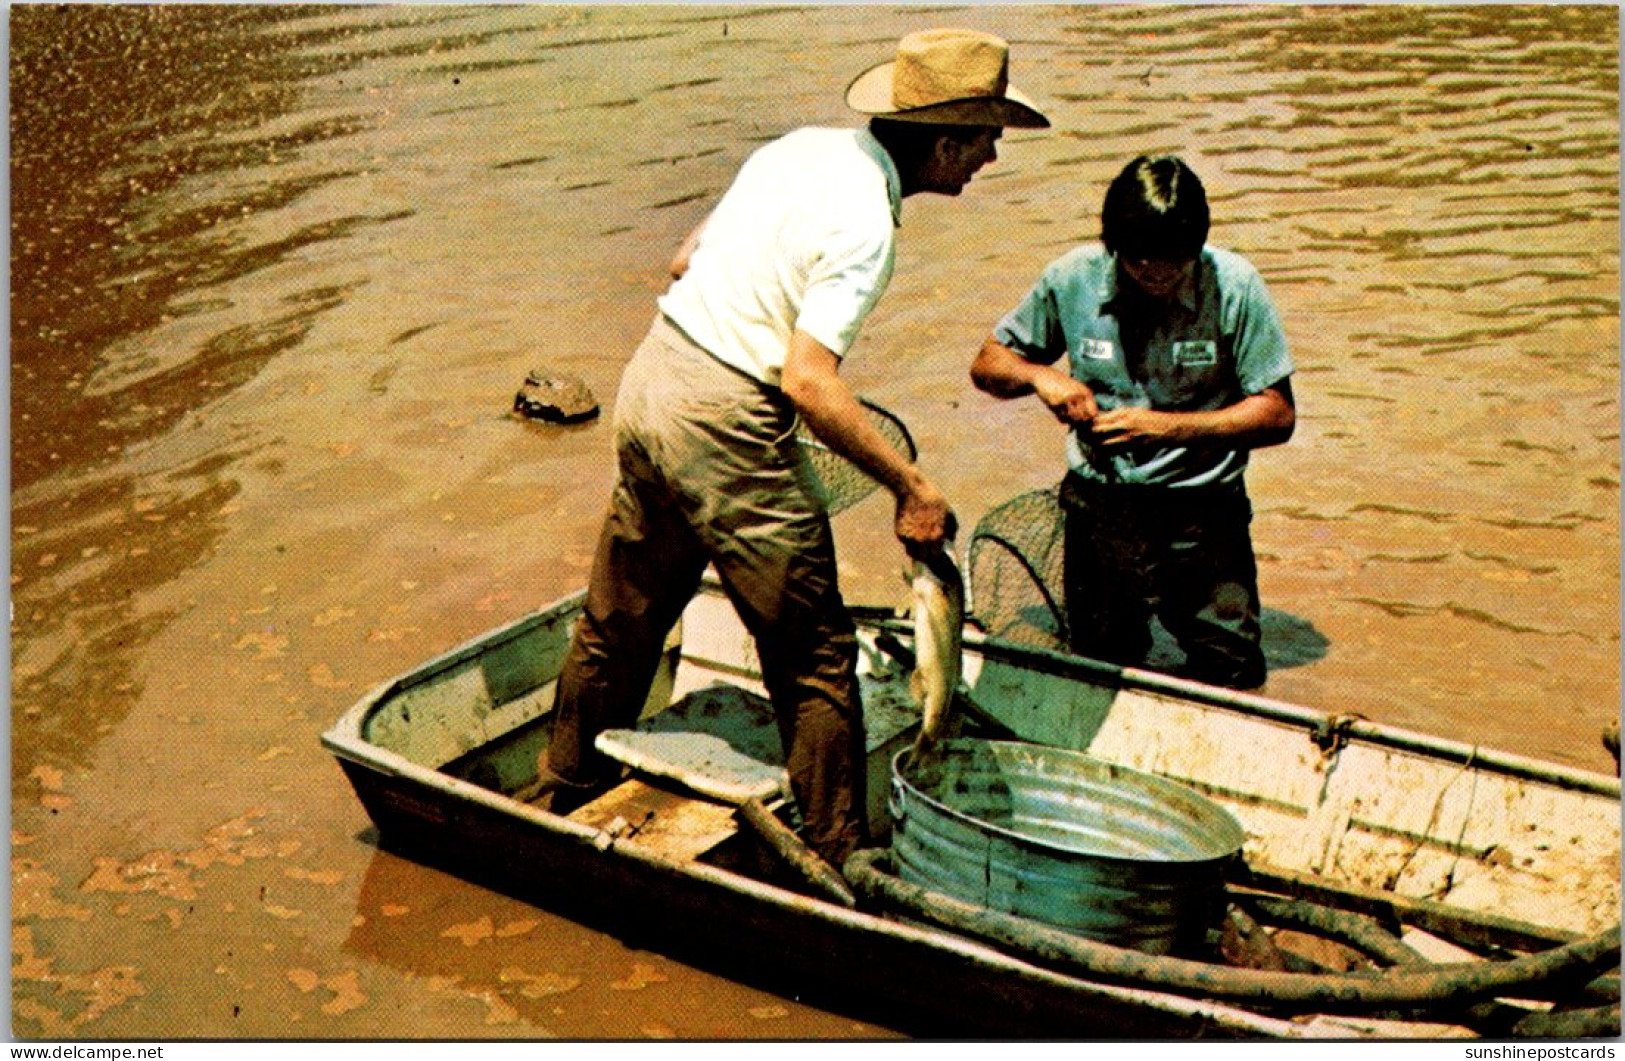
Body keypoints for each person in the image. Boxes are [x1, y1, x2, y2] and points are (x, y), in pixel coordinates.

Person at [538, 29, 1050, 867]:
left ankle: (561, 787)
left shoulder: (801, 150)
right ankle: (835, 855)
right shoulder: (867, 227)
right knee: (814, 652)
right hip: (727, 420)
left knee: (620, 618)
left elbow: (682, 259)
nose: (990, 157)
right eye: (986, 138)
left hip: (653, 380)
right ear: (945, 141)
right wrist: (909, 485)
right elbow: (809, 385)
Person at [971, 154, 1294, 690]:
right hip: (1100, 511)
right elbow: (987, 364)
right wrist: (1040, 377)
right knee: (1100, 668)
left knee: (1231, 671)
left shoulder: (1237, 286)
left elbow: (1278, 414)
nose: (1155, 276)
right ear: (1113, 247)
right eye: (1138, 262)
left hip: (1204, 514)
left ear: (1197, 249)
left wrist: (1169, 428)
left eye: (1173, 262)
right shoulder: (1071, 278)